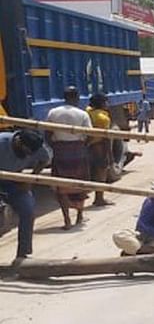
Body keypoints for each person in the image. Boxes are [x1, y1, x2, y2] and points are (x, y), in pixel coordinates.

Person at [46, 86, 93, 229]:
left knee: (61, 186)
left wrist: (54, 146)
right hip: (78, 151)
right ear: (77, 98)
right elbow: (90, 134)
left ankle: (67, 220)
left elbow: (47, 134)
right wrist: (83, 145)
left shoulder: (53, 112)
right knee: (80, 184)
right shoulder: (82, 114)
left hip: (60, 151)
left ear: (64, 97)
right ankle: (79, 216)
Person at [0, 130, 51, 259]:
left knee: (28, 210)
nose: (29, 155)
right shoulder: (1, 142)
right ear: (18, 142)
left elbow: (44, 159)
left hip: (15, 180)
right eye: (27, 152)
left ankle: (23, 254)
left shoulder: (36, 146)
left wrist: (31, 179)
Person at [86, 93, 114, 207]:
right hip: (98, 146)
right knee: (101, 172)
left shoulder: (88, 112)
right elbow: (106, 138)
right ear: (101, 104)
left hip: (86, 145)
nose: (108, 104)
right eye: (106, 102)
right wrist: (110, 155)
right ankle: (99, 198)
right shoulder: (103, 118)